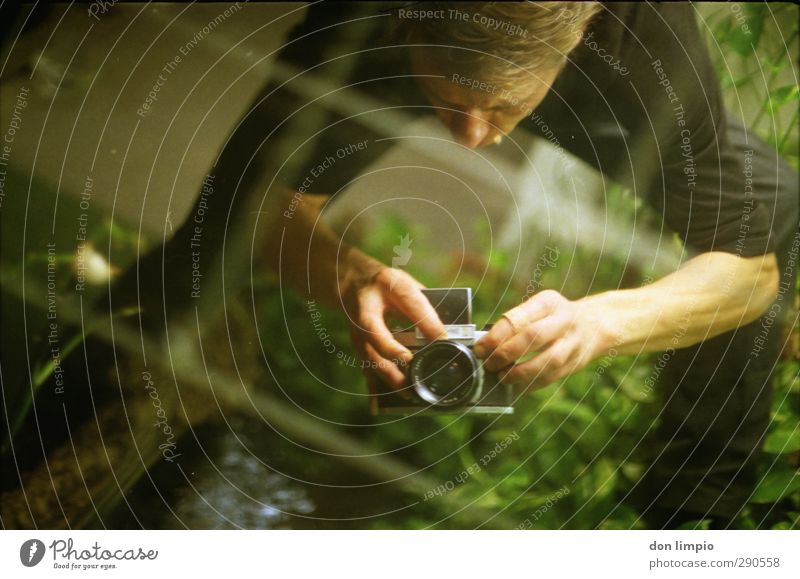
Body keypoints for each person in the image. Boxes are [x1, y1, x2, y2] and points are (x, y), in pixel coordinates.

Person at [120, 2, 798, 528]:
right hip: (393, 42)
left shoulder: (642, 35)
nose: (473, 138)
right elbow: (253, 205)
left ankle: (688, 523)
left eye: (501, 108)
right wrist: (347, 272)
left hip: (600, 79)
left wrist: (599, 324)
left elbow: (751, 274)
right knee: (206, 243)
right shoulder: (365, 28)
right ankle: (116, 359)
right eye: (452, 104)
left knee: (776, 203)